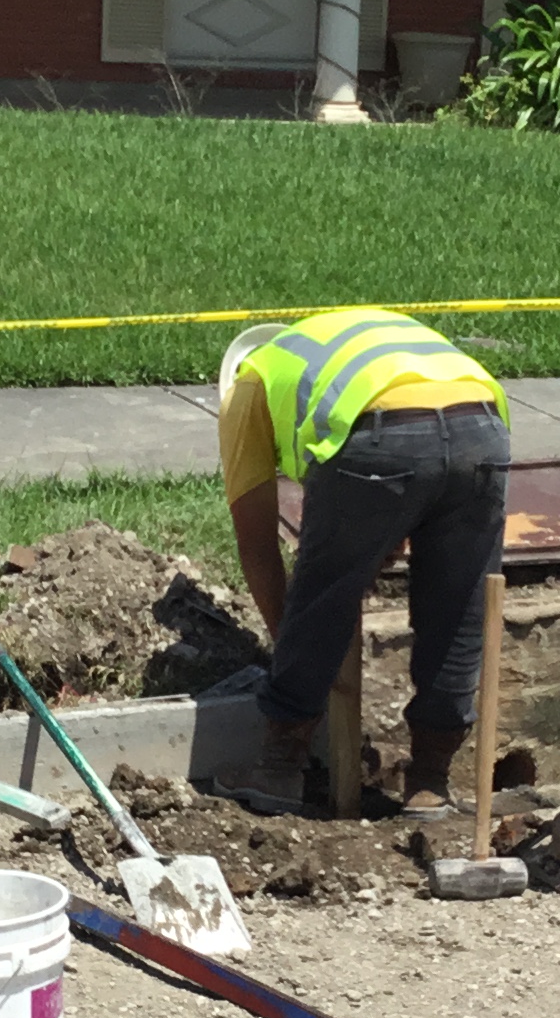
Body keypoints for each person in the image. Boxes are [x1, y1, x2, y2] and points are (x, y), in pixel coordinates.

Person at [216, 308, 511, 814]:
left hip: (377, 433)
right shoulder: (339, 344)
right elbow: (415, 488)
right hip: (482, 427)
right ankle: (429, 781)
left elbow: (258, 545)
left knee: (320, 594)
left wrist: (292, 644)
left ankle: (279, 767)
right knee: (459, 605)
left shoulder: (249, 387)